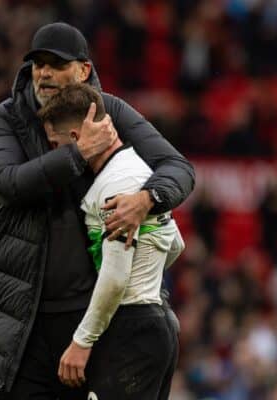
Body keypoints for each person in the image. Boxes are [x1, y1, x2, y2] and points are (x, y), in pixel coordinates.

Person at [0, 22, 195, 399]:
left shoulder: (111, 113)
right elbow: (7, 182)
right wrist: (78, 153)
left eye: (56, 64)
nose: (45, 73)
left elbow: (179, 169)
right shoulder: (6, 118)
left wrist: (145, 200)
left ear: (84, 70)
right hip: (22, 319)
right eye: (38, 64)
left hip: (92, 320)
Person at [38, 83, 185, 399]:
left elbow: (116, 278)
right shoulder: (139, 170)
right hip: (156, 324)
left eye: (55, 144)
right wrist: (147, 270)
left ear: (76, 139)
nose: (54, 153)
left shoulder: (116, 184)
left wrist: (82, 341)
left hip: (132, 327)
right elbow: (175, 244)